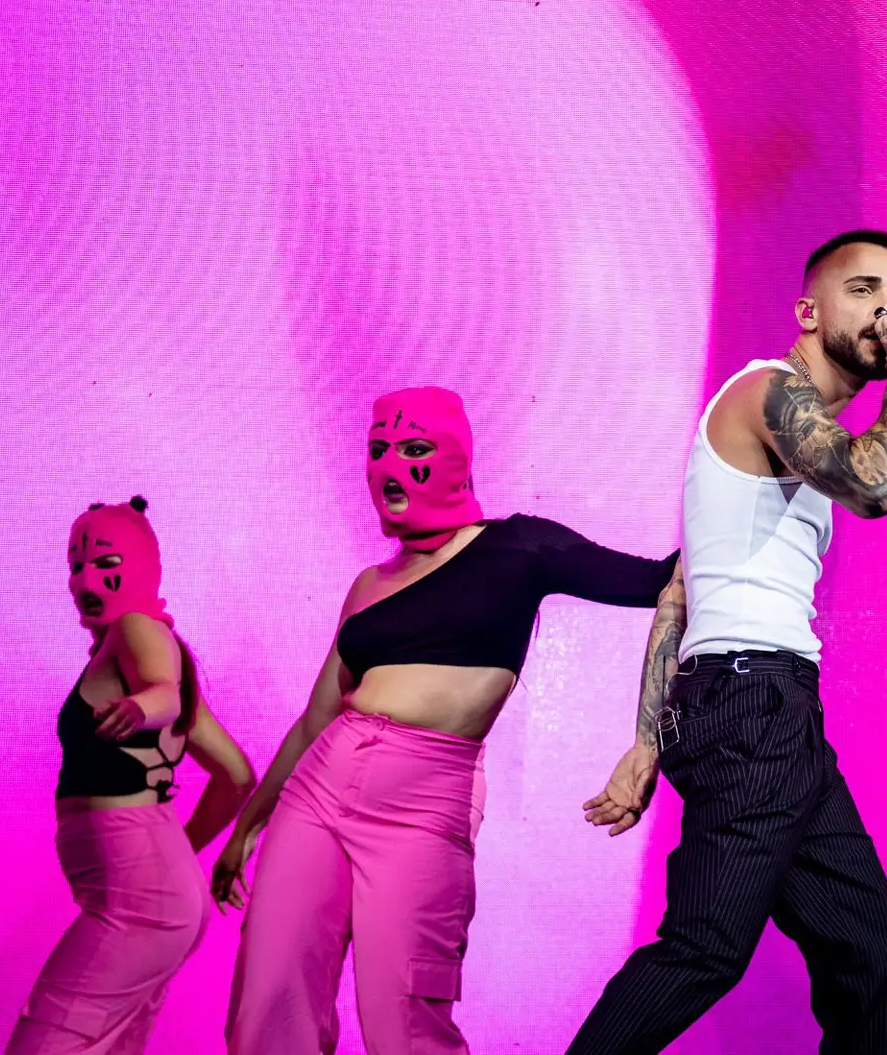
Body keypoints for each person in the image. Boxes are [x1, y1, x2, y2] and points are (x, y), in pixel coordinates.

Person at [219, 386, 679, 1055]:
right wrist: (248, 824)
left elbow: (664, 581)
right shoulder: (369, 584)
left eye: (413, 448)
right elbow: (316, 718)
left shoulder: (521, 548)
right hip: (317, 792)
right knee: (268, 1003)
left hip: (425, 801)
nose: (389, 466)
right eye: (377, 451)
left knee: (405, 1022)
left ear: (456, 455)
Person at [569, 230, 887, 1055]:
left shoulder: (789, 437)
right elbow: (876, 483)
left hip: (767, 711)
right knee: (704, 950)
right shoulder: (767, 392)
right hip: (750, 706)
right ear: (810, 311)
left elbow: (679, 594)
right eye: (866, 290)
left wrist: (644, 740)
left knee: (873, 956)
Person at [10, 496, 257, 1055]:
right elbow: (238, 775)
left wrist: (148, 707)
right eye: (75, 566)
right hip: (158, 895)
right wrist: (183, 856)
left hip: (137, 903)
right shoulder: (128, 649)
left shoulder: (137, 629)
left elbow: (163, 690)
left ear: (142, 568)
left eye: (105, 563)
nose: (84, 579)